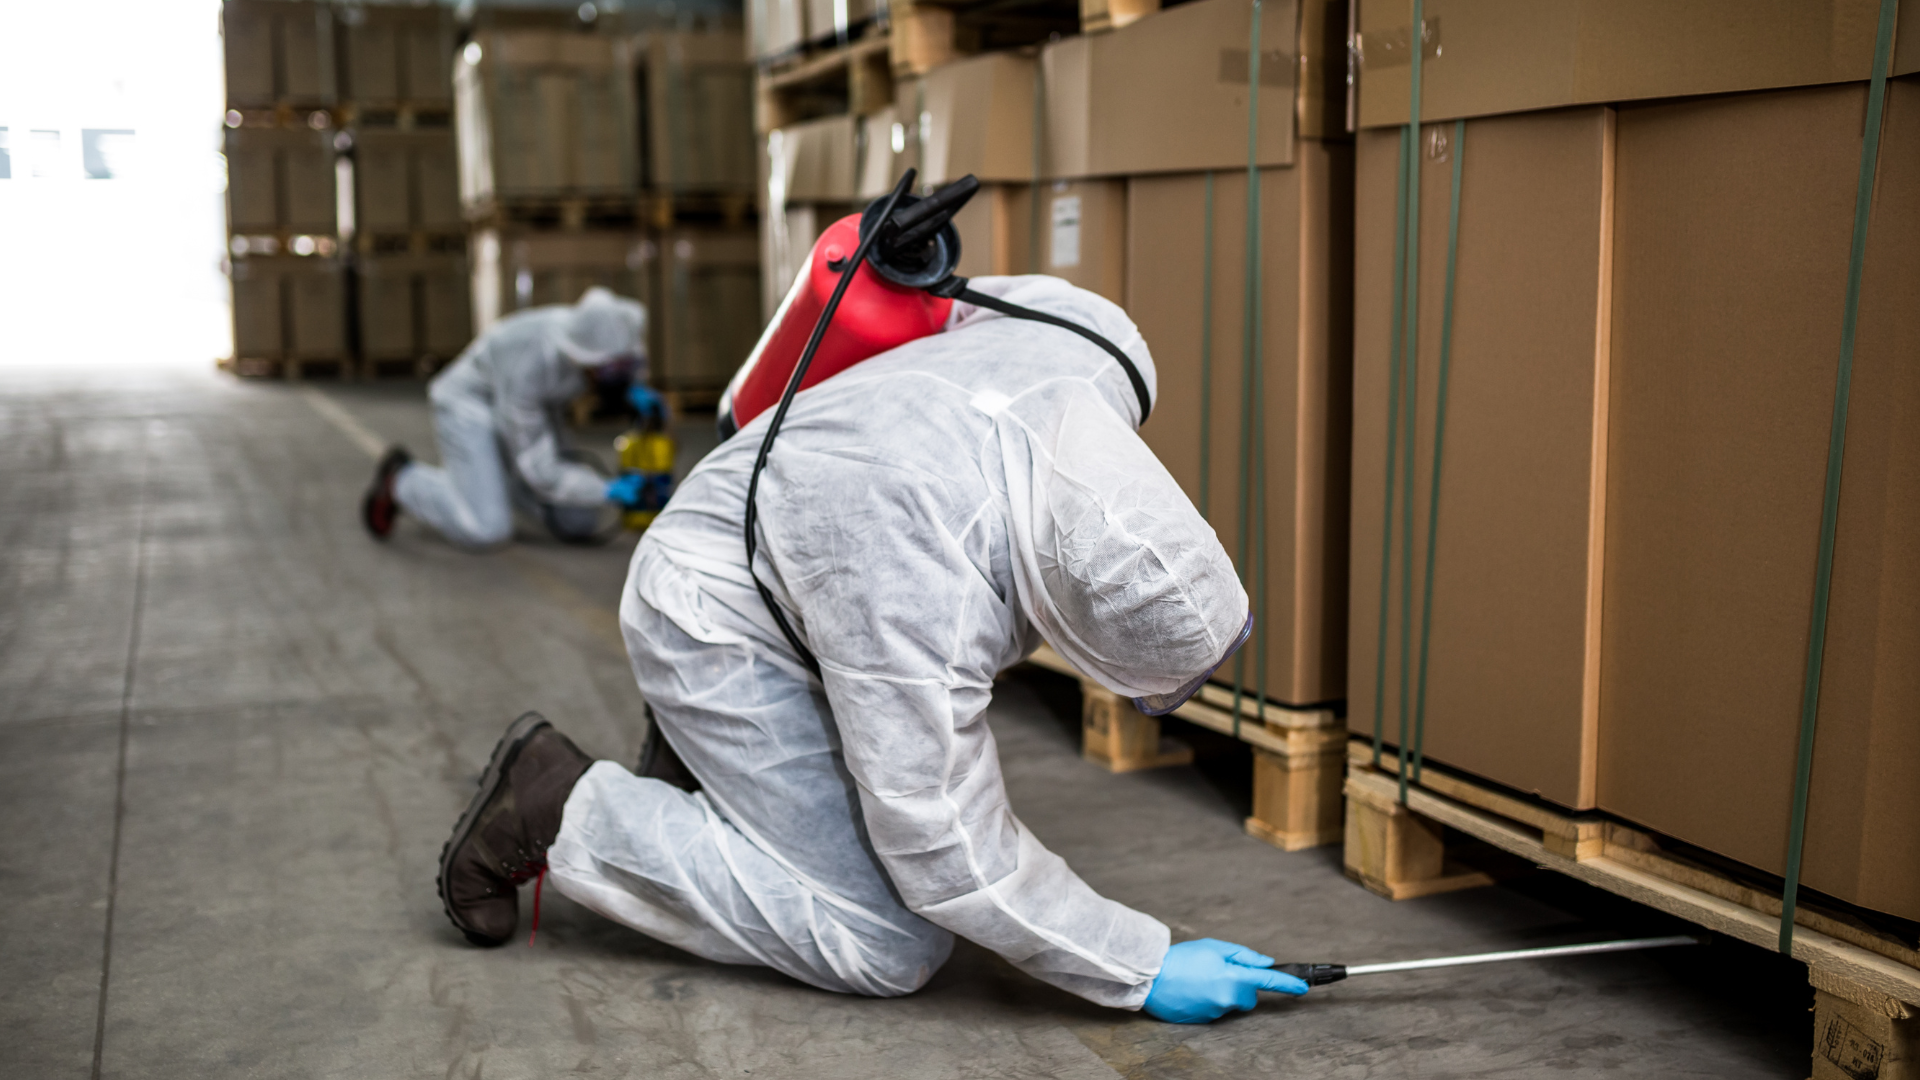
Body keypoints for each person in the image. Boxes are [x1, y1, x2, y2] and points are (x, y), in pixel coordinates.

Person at [434, 276, 1309, 1023]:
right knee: (889, 940)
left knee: (872, 836)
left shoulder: (1094, 349)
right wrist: (1142, 967)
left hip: (790, 541)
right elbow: (945, 844)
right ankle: (558, 803)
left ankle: (715, 769)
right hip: (710, 611)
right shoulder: (923, 586)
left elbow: (989, 297)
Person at [363, 286, 654, 548]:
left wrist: (636, 391)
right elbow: (541, 471)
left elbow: (618, 360)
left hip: (528, 410)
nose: (617, 377)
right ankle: (402, 481)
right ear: (583, 358)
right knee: (487, 528)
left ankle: (490, 483)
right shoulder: (528, 365)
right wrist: (608, 489)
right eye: (611, 371)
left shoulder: (591, 333)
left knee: (578, 520)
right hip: (470, 406)